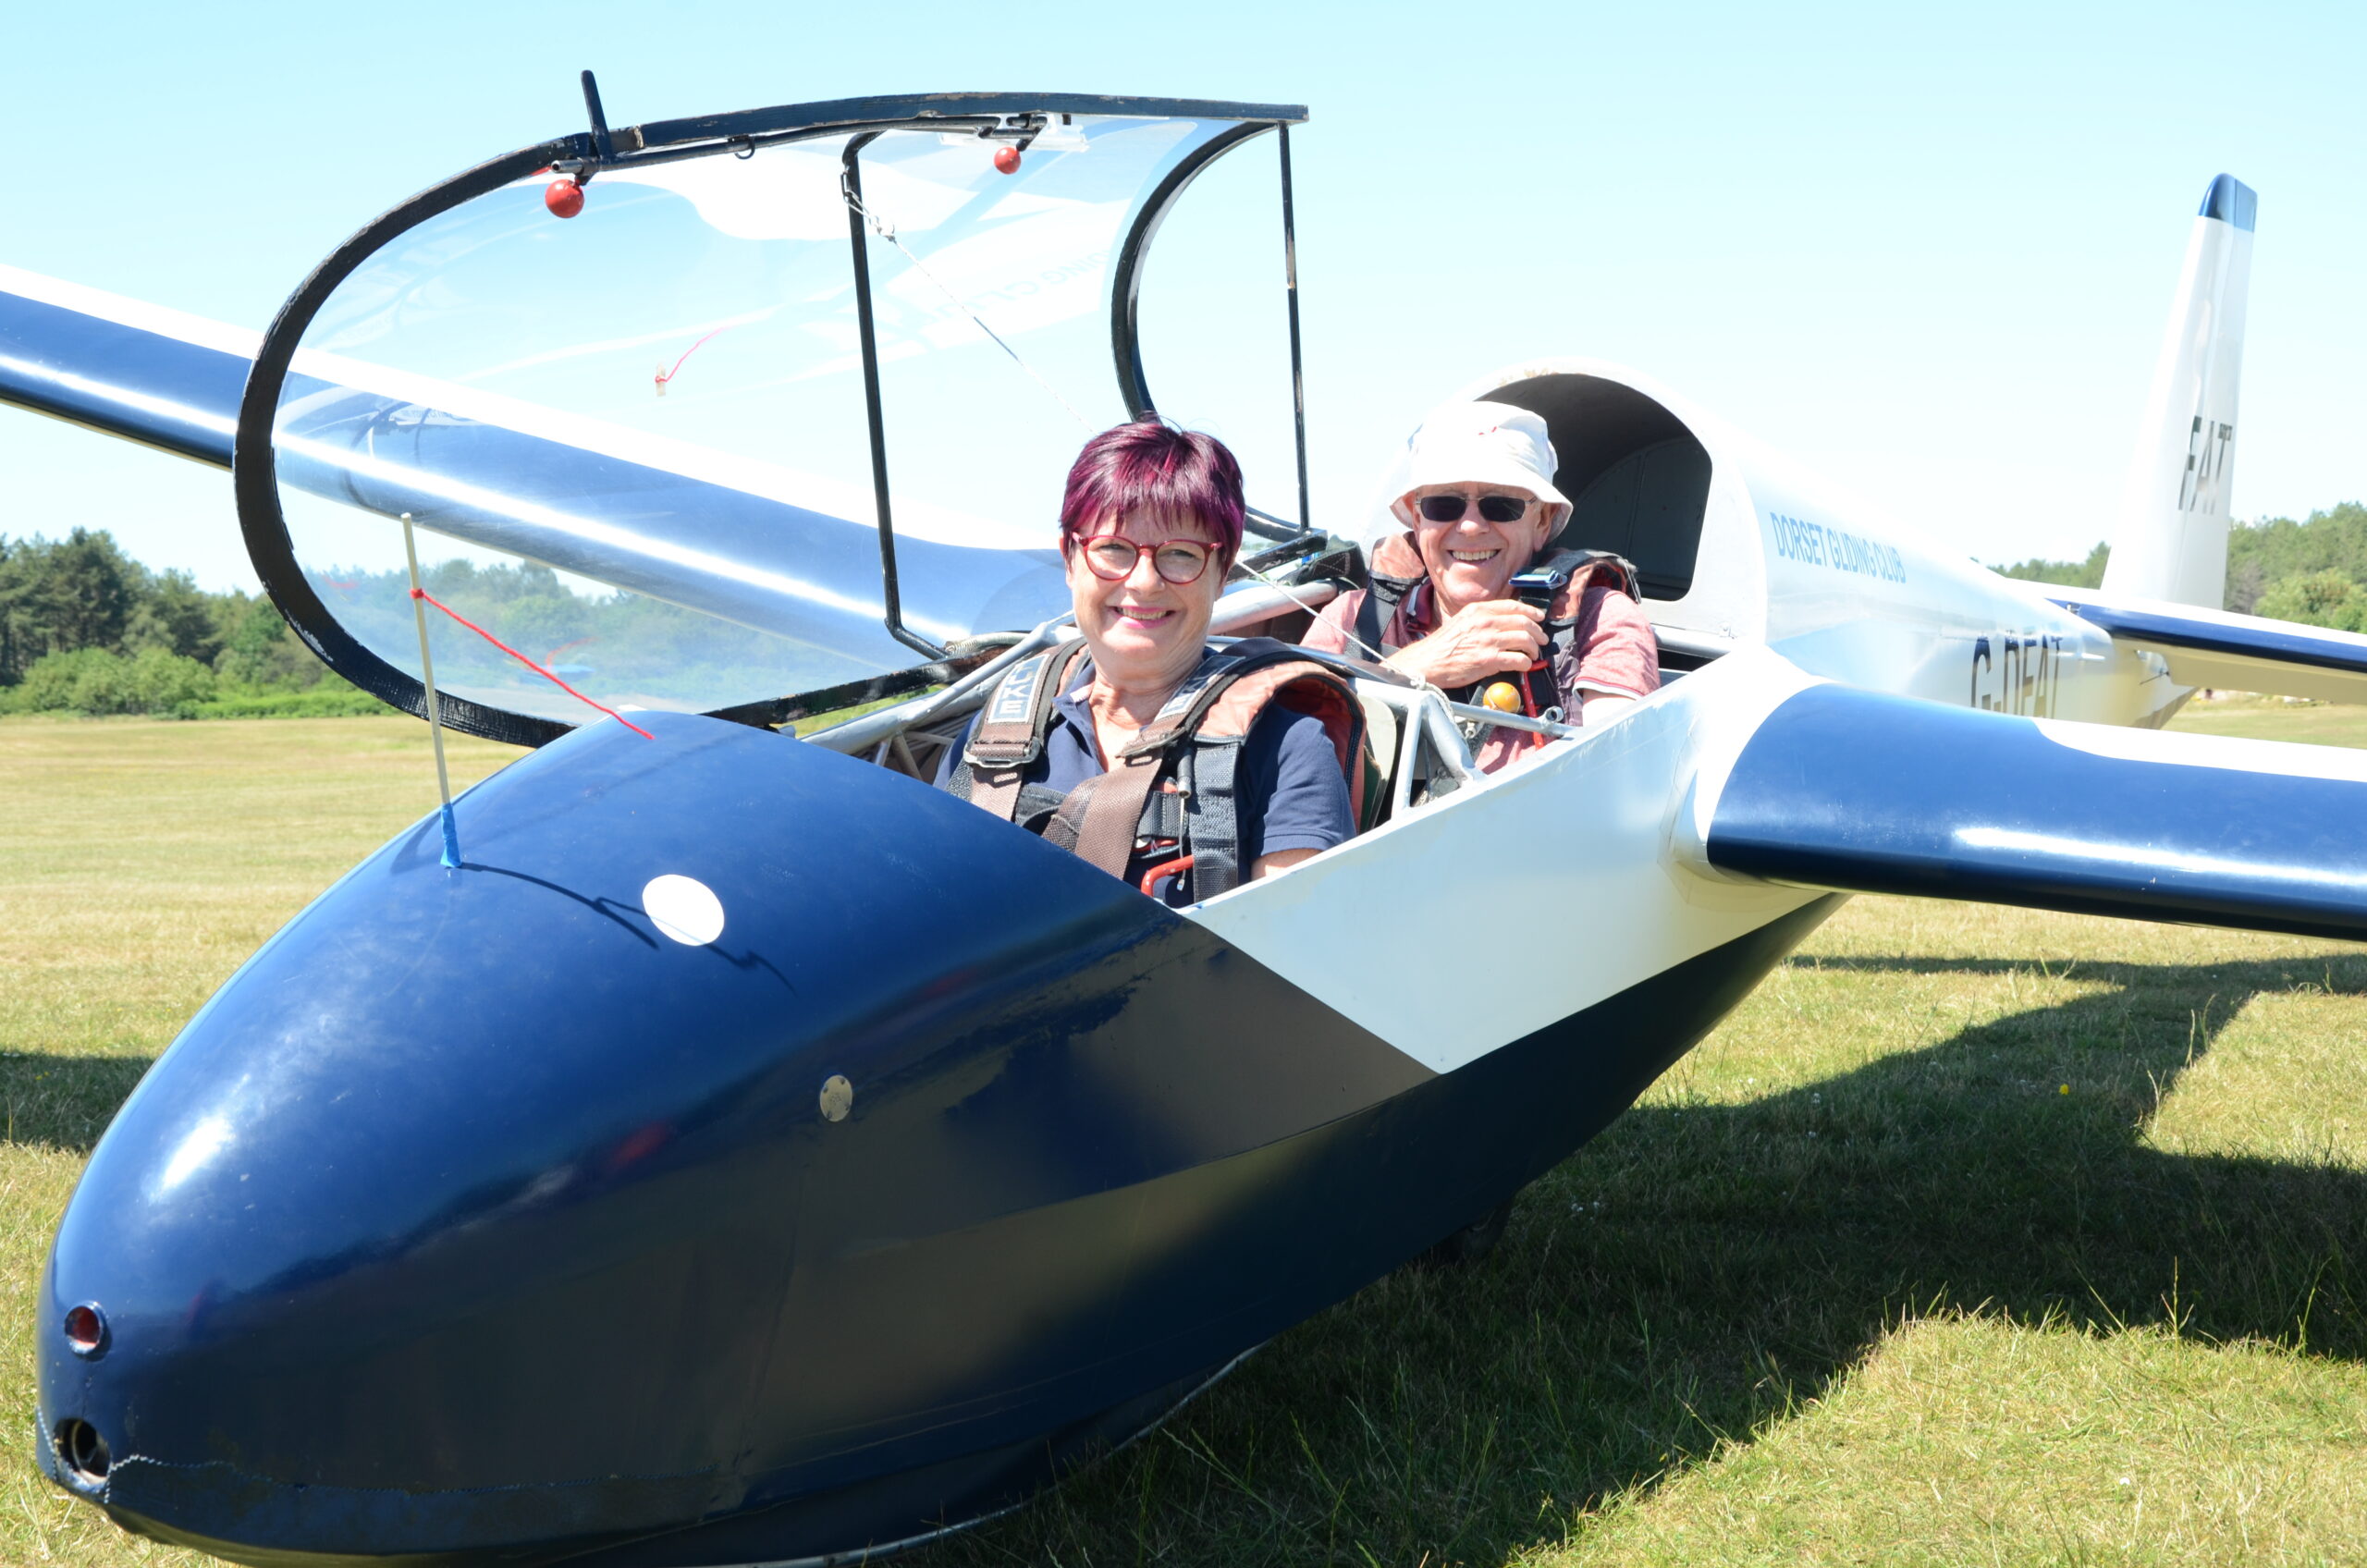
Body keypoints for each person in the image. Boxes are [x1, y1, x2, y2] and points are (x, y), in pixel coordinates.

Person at [937, 420, 1361, 904]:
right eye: (1113, 548)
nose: (1143, 581)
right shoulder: (997, 732)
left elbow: (1294, 946)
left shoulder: (1287, 749)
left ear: (1222, 573)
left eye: (1180, 554)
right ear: (1071, 560)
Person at [1304, 401, 1659, 771]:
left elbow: (1617, 770)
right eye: (1445, 504)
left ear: (1542, 522)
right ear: (1417, 515)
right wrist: (1414, 669)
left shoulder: (1599, 620)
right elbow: (1286, 735)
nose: (1471, 526)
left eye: (1501, 505)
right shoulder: (1350, 619)